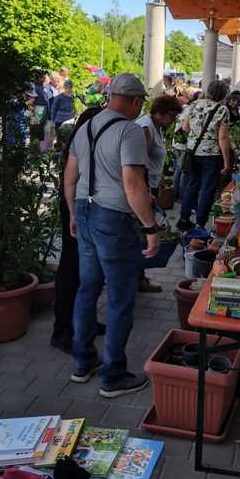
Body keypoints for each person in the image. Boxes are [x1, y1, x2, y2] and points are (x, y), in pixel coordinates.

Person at [64, 73, 159, 398]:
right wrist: (150, 227)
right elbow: (133, 183)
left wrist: (74, 214)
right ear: (133, 101)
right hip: (114, 218)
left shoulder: (85, 126)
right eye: (140, 102)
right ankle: (113, 375)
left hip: (85, 211)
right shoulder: (129, 130)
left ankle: (82, 363)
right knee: (120, 297)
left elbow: (70, 177)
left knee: (87, 289)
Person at [50, 104, 106, 354]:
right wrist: (74, 213)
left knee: (88, 269)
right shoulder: (82, 146)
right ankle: (62, 330)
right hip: (75, 208)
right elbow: (72, 182)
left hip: (83, 207)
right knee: (72, 267)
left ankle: (84, 321)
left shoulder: (89, 142)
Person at [136, 95, 182, 293]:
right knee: (143, 232)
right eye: (171, 116)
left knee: (142, 233)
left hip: (150, 185)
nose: (173, 120)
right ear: (159, 112)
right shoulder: (145, 127)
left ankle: (139, 276)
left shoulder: (155, 127)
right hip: (144, 188)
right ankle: (136, 277)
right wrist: (145, 191)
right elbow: (139, 164)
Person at [177, 80, 231, 231]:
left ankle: (184, 219)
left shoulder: (193, 105)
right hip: (211, 155)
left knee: (192, 185)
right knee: (208, 188)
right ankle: (200, 223)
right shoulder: (222, 110)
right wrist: (227, 162)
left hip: (193, 152)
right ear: (223, 94)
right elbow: (223, 138)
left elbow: (185, 127)